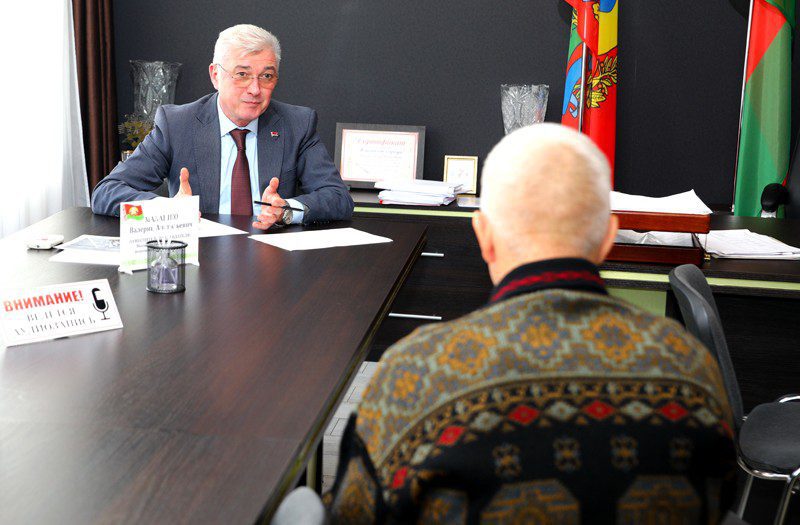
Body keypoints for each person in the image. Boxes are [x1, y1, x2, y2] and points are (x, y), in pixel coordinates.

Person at [314, 124, 737, 523]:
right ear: (608, 237)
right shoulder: (690, 366)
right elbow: (720, 500)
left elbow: (354, 513)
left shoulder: (414, 372)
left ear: (484, 235)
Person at [91, 24, 353, 229]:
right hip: (201, 257)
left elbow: (338, 198)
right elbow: (106, 193)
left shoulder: (297, 124)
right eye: (242, 74)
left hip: (272, 259)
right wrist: (167, 210)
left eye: (266, 76)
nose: (255, 89)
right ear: (215, 75)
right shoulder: (177, 125)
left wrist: (286, 210)